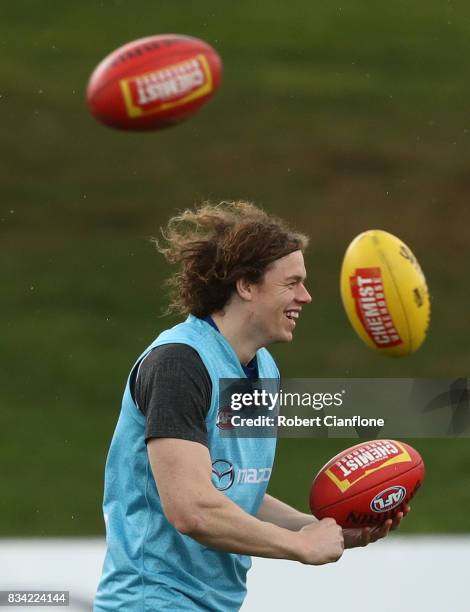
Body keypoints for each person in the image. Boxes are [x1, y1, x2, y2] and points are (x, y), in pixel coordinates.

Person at [94, 201, 407, 611]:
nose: (306, 297)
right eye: (291, 283)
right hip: (151, 601)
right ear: (245, 285)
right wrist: (298, 545)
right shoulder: (178, 364)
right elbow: (192, 509)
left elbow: (232, 490)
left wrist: (319, 527)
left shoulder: (262, 368)